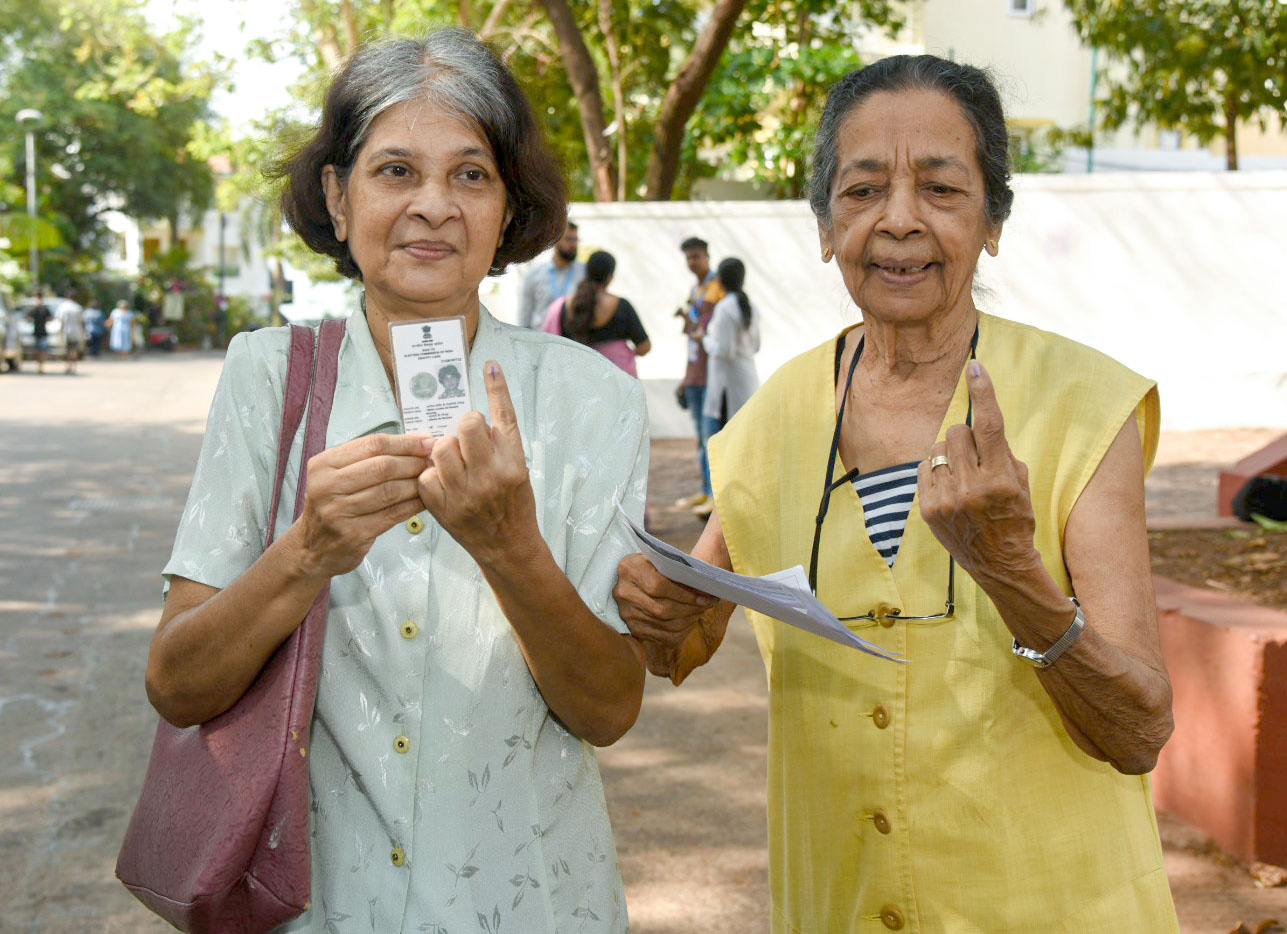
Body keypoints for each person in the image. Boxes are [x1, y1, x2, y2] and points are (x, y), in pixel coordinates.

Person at [613, 54, 1179, 932]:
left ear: (992, 220)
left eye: (942, 191)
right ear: (823, 225)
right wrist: (654, 612)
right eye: (863, 190)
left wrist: (1013, 576)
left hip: (1051, 907)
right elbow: (682, 640)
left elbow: (1138, 731)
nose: (899, 221)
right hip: (836, 902)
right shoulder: (772, 422)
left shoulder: (1085, 406)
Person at [146, 29, 649, 934]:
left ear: (507, 207)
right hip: (317, 907)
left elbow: (608, 708)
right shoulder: (269, 377)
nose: (433, 207)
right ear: (338, 199)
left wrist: (510, 548)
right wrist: (305, 552)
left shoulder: (590, 400)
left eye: (469, 175)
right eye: (394, 172)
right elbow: (177, 686)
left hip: (531, 903)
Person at [693, 257, 759, 476]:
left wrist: (705, 338)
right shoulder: (751, 306)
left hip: (726, 387)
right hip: (747, 379)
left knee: (724, 445)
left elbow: (724, 351)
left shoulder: (724, 308)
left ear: (720, 280)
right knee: (745, 441)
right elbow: (756, 345)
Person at [673, 237, 725, 513]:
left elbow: (710, 330)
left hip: (711, 376)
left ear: (707, 255)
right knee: (700, 438)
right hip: (695, 373)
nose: (692, 262)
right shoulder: (696, 288)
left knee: (710, 437)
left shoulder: (717, 288)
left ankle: (714, 495)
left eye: (696, 256)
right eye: (689, 257)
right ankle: (706, 491)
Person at [542, 250, 650, 377]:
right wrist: (621, 353)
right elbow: (644, 347)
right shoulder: (622, 306)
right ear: (610, 277)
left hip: (574, 381)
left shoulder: (564, 304)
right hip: (614, 384)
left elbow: (550, 341)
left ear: (587, 272)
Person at [517, 220, 583, 329]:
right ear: (556, 241)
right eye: (569, 239)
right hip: (541, 341)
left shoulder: (584, 272)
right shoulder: (534, 275)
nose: (574, 245)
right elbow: (524, 319)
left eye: (576, 240)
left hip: (573, 342)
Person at [29, 291, 52, 373]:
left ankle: (41, 366)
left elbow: (50, 317)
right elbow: (28, 317)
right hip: (36, 332)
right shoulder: (34, 308)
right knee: (37, 350)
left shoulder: (44, 308)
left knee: (42, 349)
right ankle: (39, 366)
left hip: (43, 331)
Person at [61, 298, 85, 374]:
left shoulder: (64, 307)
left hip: (66, 331)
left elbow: (61, 320)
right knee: (74, 349)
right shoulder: (78, 308)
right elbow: (82, 321)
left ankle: (67, 366)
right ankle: (74, 367)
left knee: (67, 350)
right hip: (76, 331)